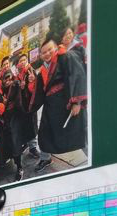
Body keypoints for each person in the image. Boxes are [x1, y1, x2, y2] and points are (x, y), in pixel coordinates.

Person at [29, 39, 87, 172]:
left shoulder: (66, 57)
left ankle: (93, 156)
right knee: (44, 133)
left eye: (49, 50)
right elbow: (39, 92)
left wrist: (77, 102)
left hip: (67, 102)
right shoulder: (42, 71)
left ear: (55, 48)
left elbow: (77, 75)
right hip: (51, 107)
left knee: (79, 132)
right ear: (40, 55)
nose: (47, 54)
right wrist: (30, 107)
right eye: (44, 52)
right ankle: (45, 158)